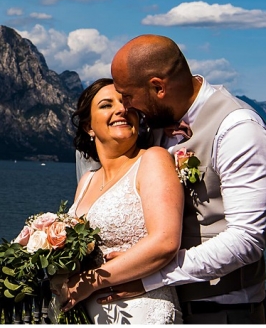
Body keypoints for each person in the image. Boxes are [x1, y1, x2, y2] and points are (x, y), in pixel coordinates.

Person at [106, 34, 266, 324]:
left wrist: (150, 276)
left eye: (128, 95)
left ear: (158, 87)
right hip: (165, 308)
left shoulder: (238, 129)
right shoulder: (155, 127)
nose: (126, 106)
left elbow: (247, 239)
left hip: (221, 310)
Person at [51, 78, 185, 324]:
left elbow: (165, 242)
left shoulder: (152, 160)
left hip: (143, 311)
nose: (121, 109)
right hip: (95, 314)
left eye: (127, 104)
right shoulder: (87, 182)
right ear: (88, 126)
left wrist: (88, 282)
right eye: (106, 105)